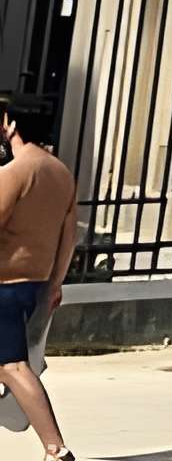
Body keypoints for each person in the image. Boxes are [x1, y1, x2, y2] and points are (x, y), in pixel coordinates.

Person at [0, 93, 79, 461]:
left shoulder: (14, 172)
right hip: (34, 283)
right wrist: (55, 284)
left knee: (12, 366)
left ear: (12, 125)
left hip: (3, 284)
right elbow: (69, 235)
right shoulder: (61, 173)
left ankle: (55, 448)